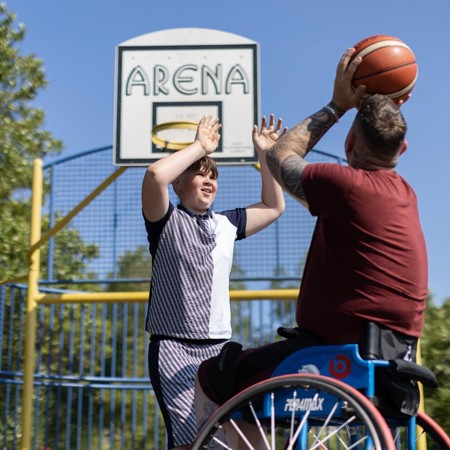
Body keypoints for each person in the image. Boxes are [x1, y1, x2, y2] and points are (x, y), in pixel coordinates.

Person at [195, 47, 428, 444]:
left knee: (210, 377)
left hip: (334, 355)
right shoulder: (405, 194)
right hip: (396, 363)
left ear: (350, 141)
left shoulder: (345, 184)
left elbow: (280, 157)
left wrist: (338, 105)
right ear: (401, 150)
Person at [142, 114, 286, 449]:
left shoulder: (226, 224)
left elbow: (273, 206)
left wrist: (265, 155)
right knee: (191, 441)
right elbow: (154, 175)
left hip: (218, 348)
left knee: (229, 439)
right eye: (199, 175)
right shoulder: (165, 221)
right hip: (173, 347)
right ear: (178, 183)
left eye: (214, 177)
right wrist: (200, 147)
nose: (209, 182)